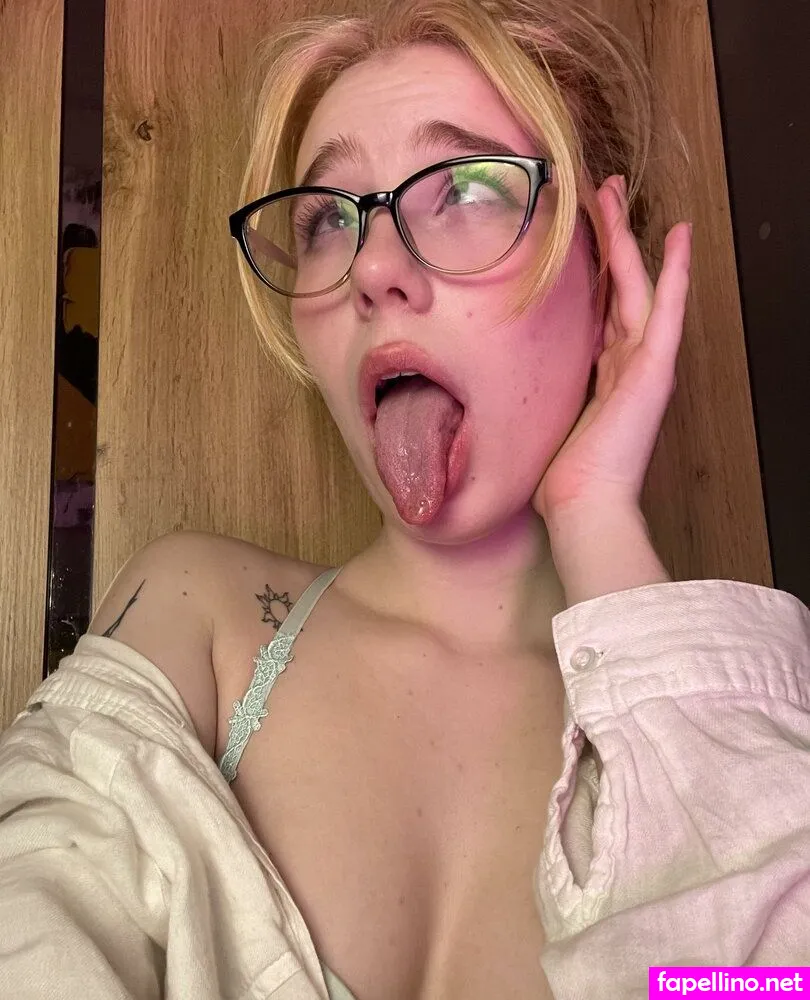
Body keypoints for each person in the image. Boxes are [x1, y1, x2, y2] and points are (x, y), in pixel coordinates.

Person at [1, 0, 808, 997]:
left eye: (465, 186)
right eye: (328, 218)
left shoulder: (714, 722)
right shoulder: (197, 619)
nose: (374, 268)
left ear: (605, 267)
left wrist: (598, 511)